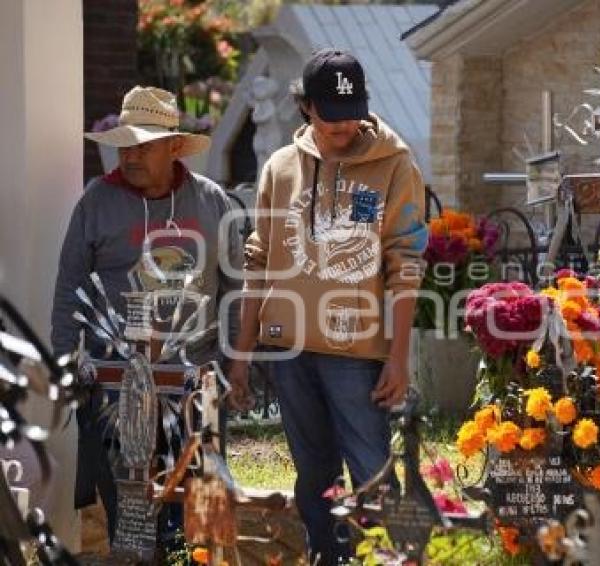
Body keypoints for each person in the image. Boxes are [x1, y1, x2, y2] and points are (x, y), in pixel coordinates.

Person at [230, 48, 427, 564]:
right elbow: (259, 260)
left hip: (357, 353)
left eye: (352, 115)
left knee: (370, 468)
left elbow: (406, 263)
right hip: (289, 348)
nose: (344, 128)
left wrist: (398, 356)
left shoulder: (396, 165)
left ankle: (381, 559)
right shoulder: (280, 167)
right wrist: (242, 353)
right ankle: (325, 556)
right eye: (330, 118)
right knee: (313, 472)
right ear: (306, 109)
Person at [50, 85, 242, 541]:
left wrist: (237, 364)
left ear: (175, 148)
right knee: (128, 510)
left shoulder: (212, 201)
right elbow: (69, 285)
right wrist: (64, 358)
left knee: (202, 502)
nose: (130, 156)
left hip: (198, 375)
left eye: (144, 146)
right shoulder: (96, 202)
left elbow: (238, 288)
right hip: (116, 379)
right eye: (125, 145)